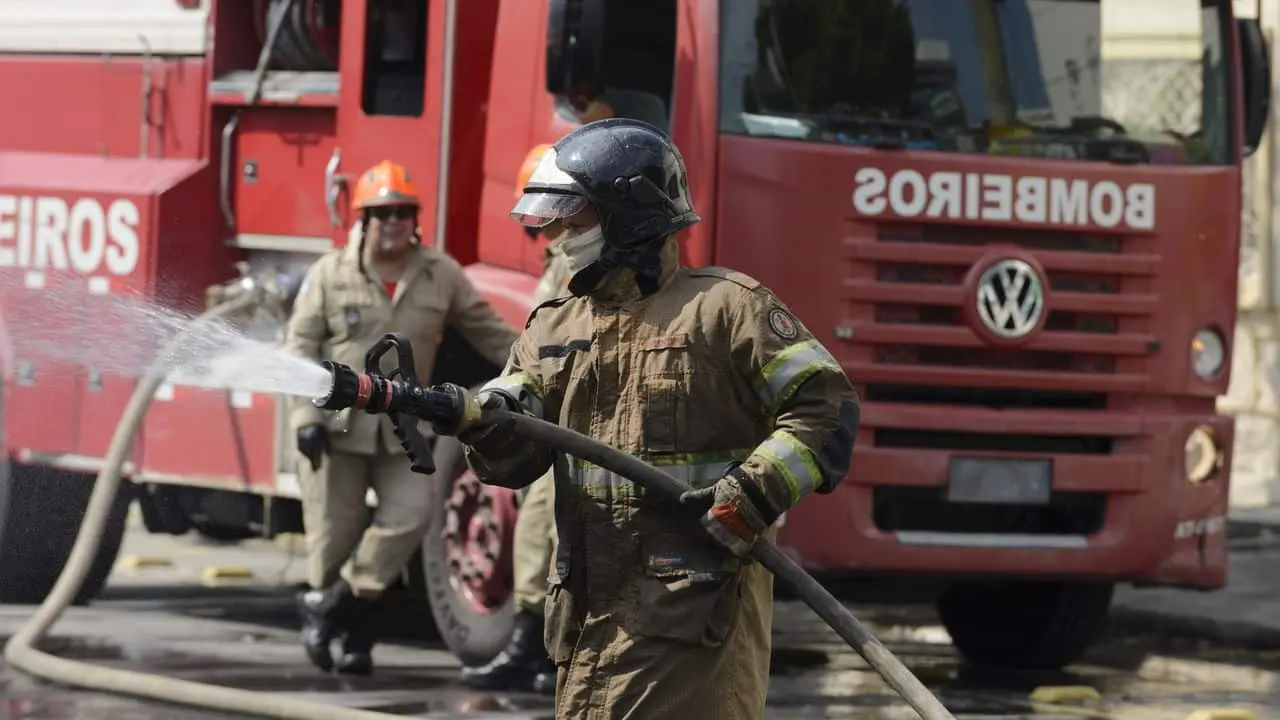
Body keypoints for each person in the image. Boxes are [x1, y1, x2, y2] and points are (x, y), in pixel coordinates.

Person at [428, 120, 860, 719]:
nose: (557, 238)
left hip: (694, 623)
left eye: (575, 221)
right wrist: (487, 421)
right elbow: (516, 440)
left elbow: (826, 408)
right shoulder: (555, 325)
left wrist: (755, 492)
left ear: (629, 216)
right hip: (589, 623)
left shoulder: (725, 310)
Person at [284, 159, 518, 676]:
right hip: (336, 429)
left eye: (403, 211)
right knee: (333, 537)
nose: (393, 221)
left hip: (402, 430)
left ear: (415, 218)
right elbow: (298, 345)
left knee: (409, 517)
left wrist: (539, 363)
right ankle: (348, 635)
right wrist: (304, 417)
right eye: (382, 212)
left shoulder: (442, 273)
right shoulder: (329, 274)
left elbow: (488, 331)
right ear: (363, 219)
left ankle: (335, 608)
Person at [459, 144, 570, 694]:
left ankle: (549, 652)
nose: (536, 229)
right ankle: (533, 646)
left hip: (576, 429)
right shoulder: (564, 260)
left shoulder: (578, 264)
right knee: (535, 532)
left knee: (556, 536)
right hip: (554, 423)